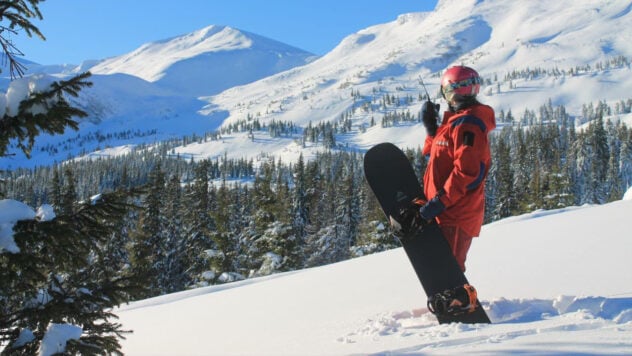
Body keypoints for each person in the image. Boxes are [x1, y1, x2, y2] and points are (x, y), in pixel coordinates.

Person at [417, 65, 496, 272]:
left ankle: (459, 303)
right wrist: (431, 129)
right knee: (440, 269)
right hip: (444, 210)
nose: (448, 97)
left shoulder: (467, 124)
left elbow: (467, 172)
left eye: (449, 92)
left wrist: (440, 201)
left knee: (448, 270)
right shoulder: (455, 122)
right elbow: (433, 156)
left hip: (455, 212)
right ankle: (450, 302)